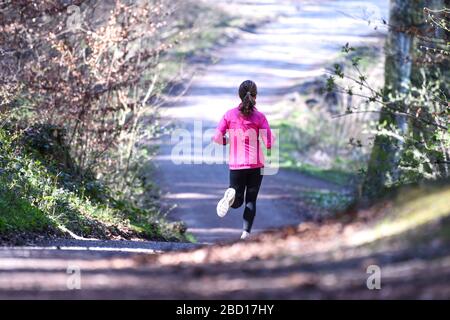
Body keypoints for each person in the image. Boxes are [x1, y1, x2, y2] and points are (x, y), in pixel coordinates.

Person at [212, 80, 275, 240]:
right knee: (250, 201)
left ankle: (231, 195)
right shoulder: (260, 117)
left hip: (237, 164)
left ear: (240, 95)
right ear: (255, 96)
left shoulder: (229, 114)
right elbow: (269, 143)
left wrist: (228, 141)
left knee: (237, 200)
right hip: (256, 164)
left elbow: (217, 138)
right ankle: (245, 233)